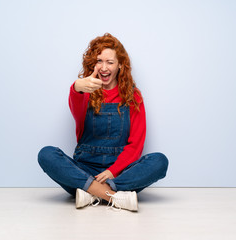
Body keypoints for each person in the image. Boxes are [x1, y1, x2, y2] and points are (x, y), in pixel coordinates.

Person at [37, 33, 168, 212]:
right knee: (46, 154)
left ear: (120, 65)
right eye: (99, 61)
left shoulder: (133, 96)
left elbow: (135, 145)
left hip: (119, 173)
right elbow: (75, 106)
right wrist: (77, 87)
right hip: (84, 169)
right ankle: (114, 197)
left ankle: (90, 193)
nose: (104, 67)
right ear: (93, 64)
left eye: (110, 62)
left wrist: (113, 172)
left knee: (159, 161)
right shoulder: (85, 91)